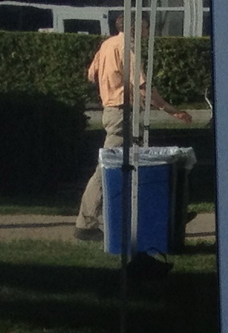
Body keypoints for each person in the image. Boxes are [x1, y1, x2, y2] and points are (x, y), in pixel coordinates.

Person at [74, 19, 191, 243]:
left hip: (113, 109)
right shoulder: (126, 47)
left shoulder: (107, 45)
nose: (148, 32)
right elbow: (142, 87)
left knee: (133, 164)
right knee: (107, 168)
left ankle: (153, 213)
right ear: (135, 29)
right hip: (122, 112)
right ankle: (86, 222)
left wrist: (110, 83)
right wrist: (170, 110)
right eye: (146, 28)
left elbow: (92, 74)